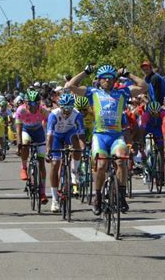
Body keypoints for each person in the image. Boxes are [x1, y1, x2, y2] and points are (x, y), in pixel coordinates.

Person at [66, 64, 148, 215]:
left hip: (116, 136)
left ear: (114, 79)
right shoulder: (93, 92)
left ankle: (121, 197)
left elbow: (143, 86)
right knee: (102, 164)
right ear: (99, 80)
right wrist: (86, 72)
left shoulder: (122, 92)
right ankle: (97, 197)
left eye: (110, 78)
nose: (107, 81)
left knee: (121, 161)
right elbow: (71, 86)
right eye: (104, 78)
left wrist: (128, 73)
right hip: (100, 136)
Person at [45, 93, 86, 212]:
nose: (66, 111)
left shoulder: (77, 115)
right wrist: (48, 150)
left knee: (76, 142)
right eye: (64, 108)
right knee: (55, 164)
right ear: (60, 106)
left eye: (69, 108)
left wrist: (82, 149)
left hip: (70, 134)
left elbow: (81, 135)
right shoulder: (54, 114)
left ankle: (74, 172)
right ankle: (54, 199)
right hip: (56, 137)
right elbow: (49, 135)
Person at [15, 90, 50, 204]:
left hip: (39, 132)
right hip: (26, 130)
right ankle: (24, 168)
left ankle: (43, 192)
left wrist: (50, 141)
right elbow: (18, 127)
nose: (33, 106)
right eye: (31, 104)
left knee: (41, 163)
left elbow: (51, 123)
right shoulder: (21, 110)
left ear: (39, 103)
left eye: (36, 104)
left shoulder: (43, 110)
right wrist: (19, 143)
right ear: (26, 103)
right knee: (25, 144)